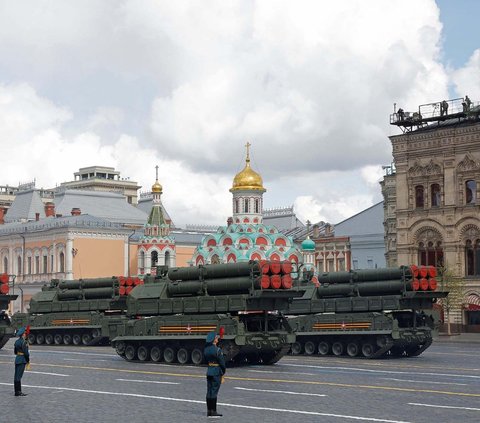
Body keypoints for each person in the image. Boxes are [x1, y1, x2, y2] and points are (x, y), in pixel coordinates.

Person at [204, 331, 226, 417]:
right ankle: (213, 411)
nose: (217, 339)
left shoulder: (206, 349)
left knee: (209, 391)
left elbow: (206, 361)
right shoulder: (217, 350)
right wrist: (223, 372)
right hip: (216, 371)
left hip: (209, 371)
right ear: (214, 340)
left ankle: (209, 411)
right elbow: (222, 363)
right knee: (214, 392)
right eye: (216, 338)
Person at [13, 326, 30, 396]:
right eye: (25, 333)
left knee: (16, 376)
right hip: (22, 360)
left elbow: (15, 352)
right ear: (23, 334)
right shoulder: (24, 342)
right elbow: (26, 353)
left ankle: (16, 391)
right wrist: (28, 360)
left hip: (17, 359)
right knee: (19, 376)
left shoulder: (16, 342)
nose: (25, 334)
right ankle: (18, 392)